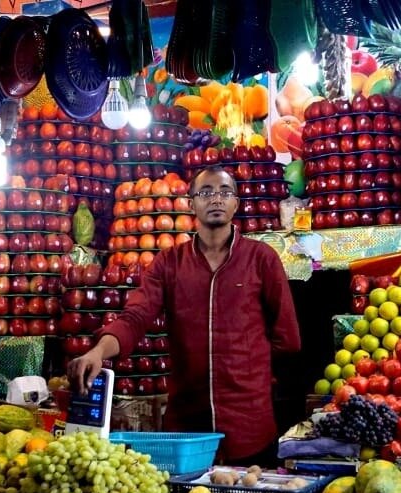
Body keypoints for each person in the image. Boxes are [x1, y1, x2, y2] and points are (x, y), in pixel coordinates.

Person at [69, 166, 301, 464]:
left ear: (236, 203)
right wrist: (98, 352)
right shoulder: (169, 263)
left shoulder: (261, 259)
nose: (215, 199)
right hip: (187, 432)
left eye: (224, 192)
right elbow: (135, 317)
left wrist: (253, 375)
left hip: (250, 428)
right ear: (190, 203)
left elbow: (288, 339)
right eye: (205, 192)